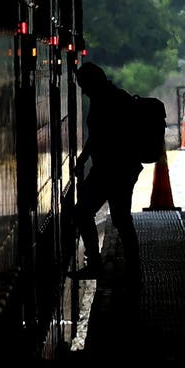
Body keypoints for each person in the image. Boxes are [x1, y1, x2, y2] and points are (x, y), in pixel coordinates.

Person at [69, 62, 144, 281]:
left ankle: (97, 265)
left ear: (93, 82)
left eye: (84, 85)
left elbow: (99, 136)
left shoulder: (106, 100)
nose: (82, 90)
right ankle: (132, 269)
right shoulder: (114, 96)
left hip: (112, 169)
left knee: (84, 212)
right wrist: (83, 160)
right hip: (120, 168)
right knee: (121, 219)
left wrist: (83, 160)